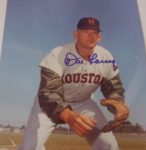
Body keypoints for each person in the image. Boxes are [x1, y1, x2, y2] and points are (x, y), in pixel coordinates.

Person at [19, 17, 129, 150]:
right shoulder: (58, 54)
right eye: (86, 32)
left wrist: (118, 104)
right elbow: (48, 92)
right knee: (29, 147)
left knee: (109, 145)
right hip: (48, 104)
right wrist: (66, 114)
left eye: (95, 33)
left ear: (99, 37)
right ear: (75, 34)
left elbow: (114, 89)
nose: (91, 36)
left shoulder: (106, 57)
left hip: (84, 103)